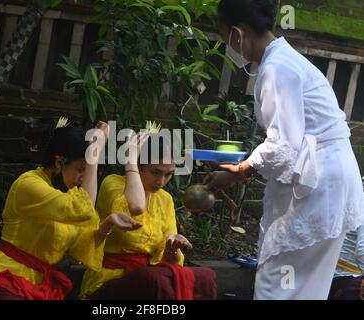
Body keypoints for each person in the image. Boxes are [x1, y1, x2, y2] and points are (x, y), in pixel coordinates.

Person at [203, 0, 364, 299]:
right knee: (304, 288)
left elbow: (283, 147)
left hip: (319, 185)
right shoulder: (287, 59)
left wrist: (240, 171)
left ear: (237, 33)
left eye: (225, 38)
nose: (229, 47)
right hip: (332, 180)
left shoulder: (276, 68)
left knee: (276, 286)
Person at [0, 120, 141, 300]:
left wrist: (108, 223)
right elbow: (81, 209)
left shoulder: (71, 195)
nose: (84, 178)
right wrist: (93, 155)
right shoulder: (28, 184)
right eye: (81, 169)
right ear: (59, 162)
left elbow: (82, 245)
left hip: (35, 285)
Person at [79, 131, 217, 300]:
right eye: (156, 172)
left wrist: (172, 248)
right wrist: (130, 161)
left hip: (148, 278)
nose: (161, 182)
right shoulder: (113, 184)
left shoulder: (165, 199)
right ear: (138, 166)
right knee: (153, 280)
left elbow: (168, 260)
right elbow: (136, 206)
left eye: (168, 174)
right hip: (110, 280)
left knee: (206, 276)